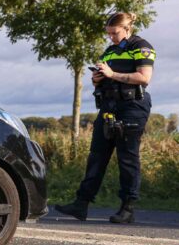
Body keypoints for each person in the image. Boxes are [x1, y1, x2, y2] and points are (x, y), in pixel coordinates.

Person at [55, 12, 156, 224]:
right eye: (108, 34)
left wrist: (112, 75)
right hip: (109, 106)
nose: (111, 37)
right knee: (97, 155)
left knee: (127, 158)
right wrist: (97, 79)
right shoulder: (109, 51)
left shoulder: (141, 46)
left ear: (127, 29)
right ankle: (81, 203)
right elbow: (103, 78)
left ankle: (127, 208)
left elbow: (144, 78)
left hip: (132, 107)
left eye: (114, 33)